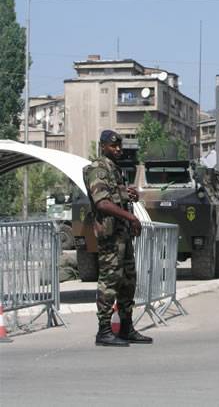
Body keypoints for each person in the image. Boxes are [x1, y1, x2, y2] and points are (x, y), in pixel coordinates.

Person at [83, 129, 152, 347]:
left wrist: (126, 192)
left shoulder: (114, 170)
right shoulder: (98, 169)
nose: (118, 149)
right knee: (109, 282)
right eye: (113, 146)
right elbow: (102, 203)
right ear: (103, 146)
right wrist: (131, 217)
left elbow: (113, 195)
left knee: (128, 281)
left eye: (120, 146)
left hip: (121, 235)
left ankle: (125, 327)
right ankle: (104, 331)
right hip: (110, 236)